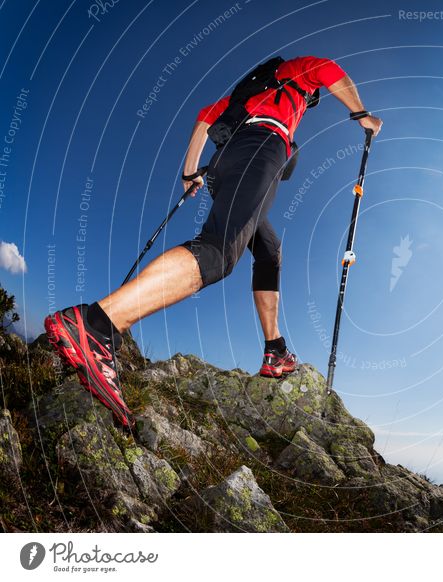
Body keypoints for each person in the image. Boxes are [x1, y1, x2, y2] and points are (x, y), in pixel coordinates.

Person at [44, 55, 383, 428]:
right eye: (312, 99)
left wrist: (190, 171)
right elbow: (327, 69)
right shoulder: (294, 77)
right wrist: (361, 114)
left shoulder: (248, 92)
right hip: (261, 146)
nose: (311, 101)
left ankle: (274, 350)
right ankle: (96, 324)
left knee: (268, 251)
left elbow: (207, 114)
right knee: (219, 252)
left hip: (227, 161)